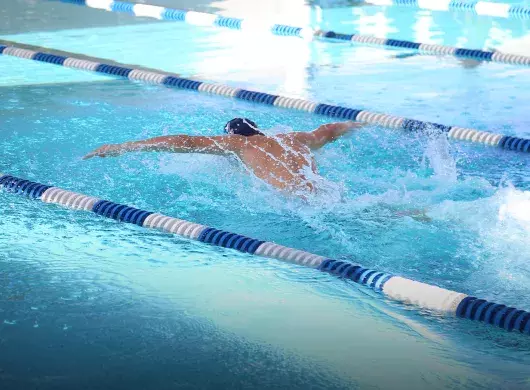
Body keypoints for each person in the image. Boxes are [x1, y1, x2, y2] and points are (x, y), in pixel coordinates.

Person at [83, 118, 366, 194]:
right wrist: (358, 124)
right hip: (327, 192)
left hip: (298, 201)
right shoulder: (293, 138)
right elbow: (327, 130)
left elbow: (186, 142)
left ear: (232, 137)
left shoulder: (241, 146)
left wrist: (123, 147)